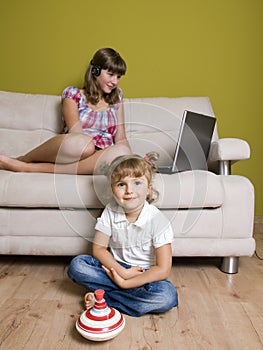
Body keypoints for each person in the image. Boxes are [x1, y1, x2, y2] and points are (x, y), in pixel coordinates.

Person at [67, 153, 178, 317]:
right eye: (121, 184)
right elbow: (98, 249)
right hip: (115, 268)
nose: (129, 191)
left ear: (149, 188)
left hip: (145, 276)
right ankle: (125, 295)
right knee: (78, 265)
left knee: (166, 297)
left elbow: (162, 269)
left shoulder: (158, 221)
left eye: (137, 182)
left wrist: (127, 283)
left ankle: (106, 299)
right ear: (112, 189)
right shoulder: (110, 211)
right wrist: (122, 273)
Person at [0, 48, 131, 174]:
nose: (115, 81)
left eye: (118, 77)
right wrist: (91, 149)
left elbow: (121, 137)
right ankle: (22, 160)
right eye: (111, 74)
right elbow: (76, 133)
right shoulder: (72, 94)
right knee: (84, 144)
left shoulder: (117, 97)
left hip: (101, 155)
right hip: (77, 149)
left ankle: (27, 168)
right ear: (95, 71)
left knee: (123, 152)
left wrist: (132, 162)